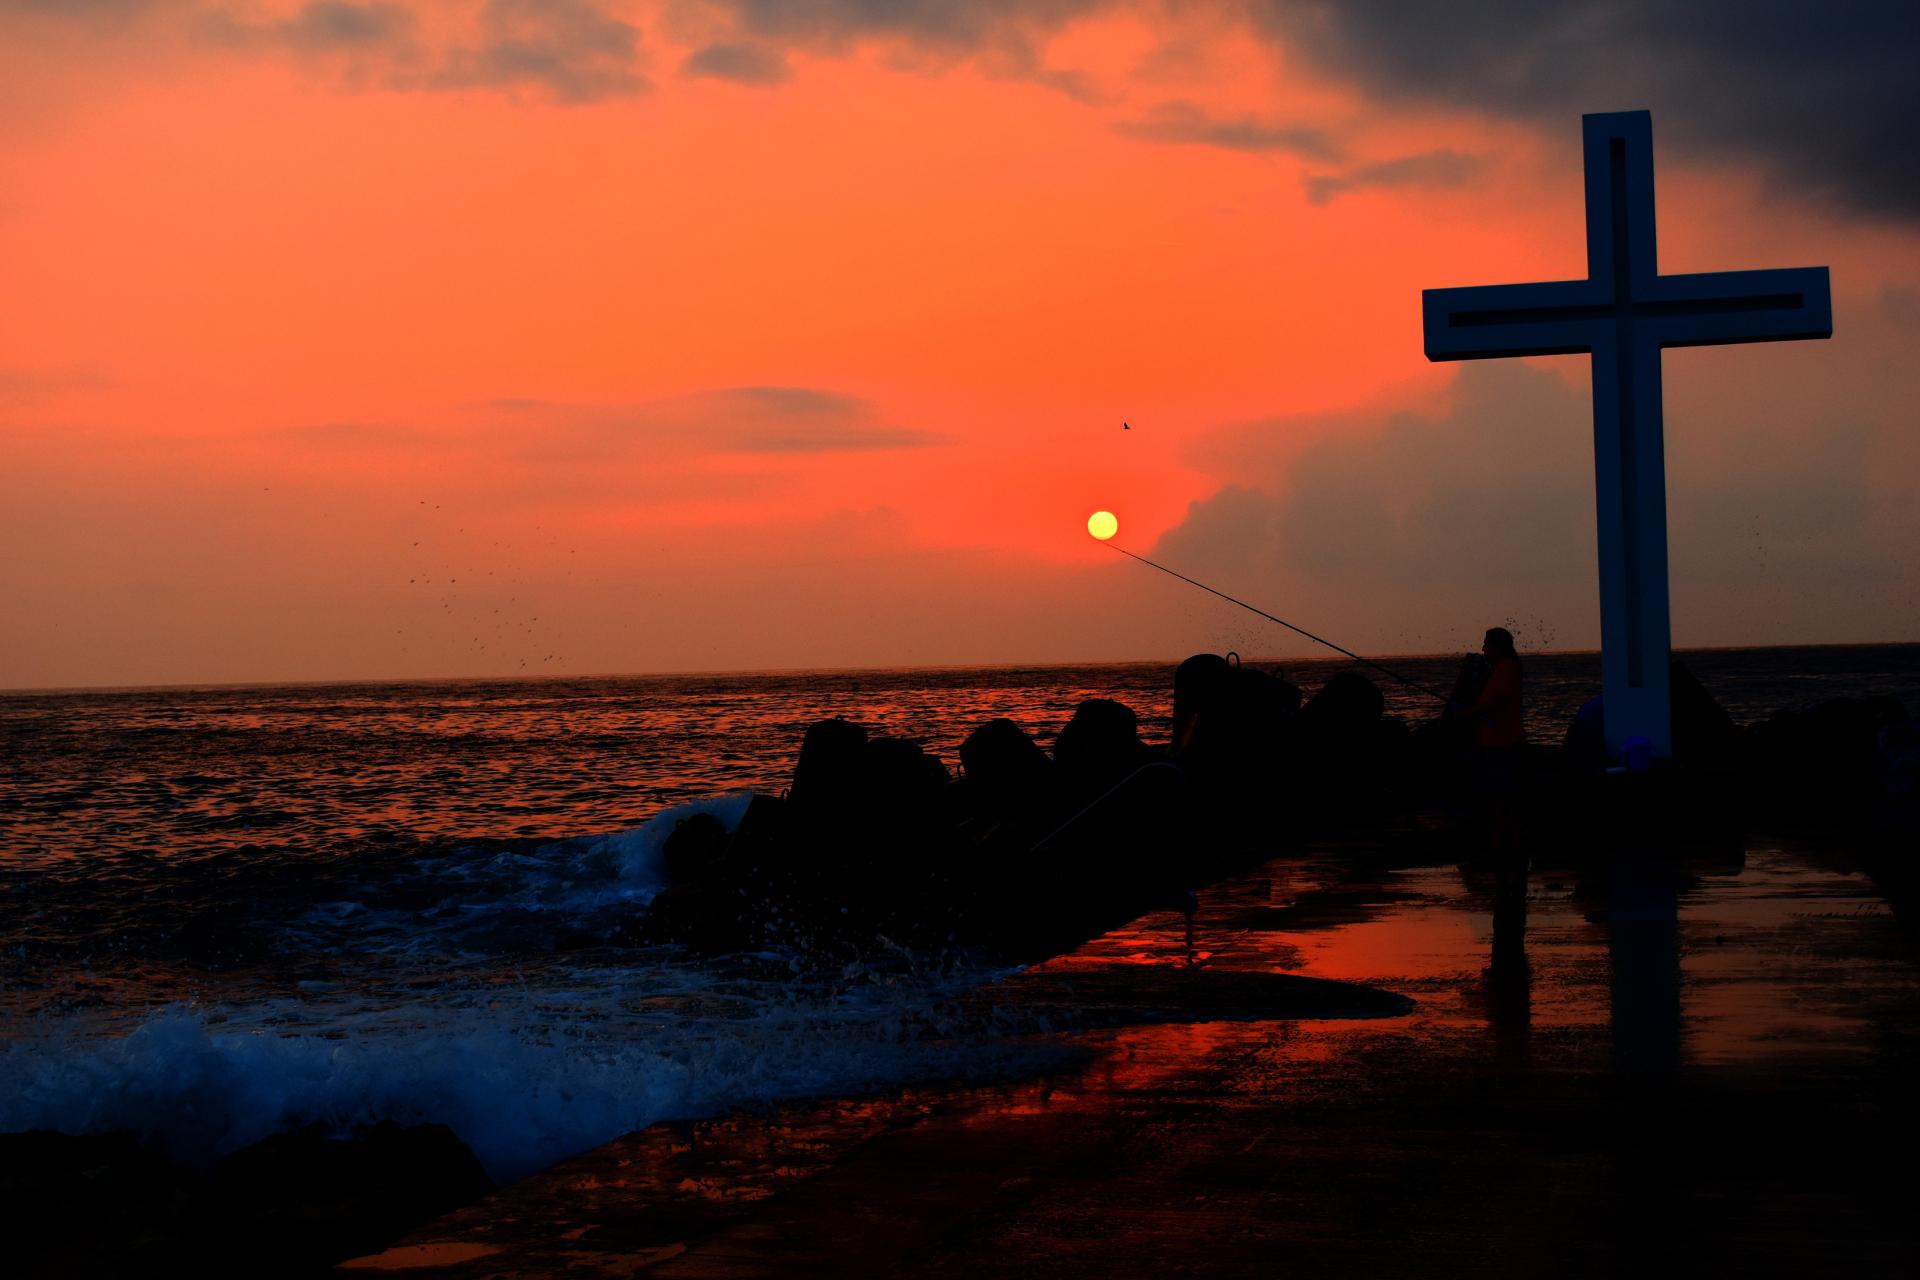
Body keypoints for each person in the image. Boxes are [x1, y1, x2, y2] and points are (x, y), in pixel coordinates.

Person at [1455, 627, 1527, 869]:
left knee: (1503, 800)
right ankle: (1506, 849)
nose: (1483, 648)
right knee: (1504, 799)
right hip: (1499, 743)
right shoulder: (1505, 668)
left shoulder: (1507, 668)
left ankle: (1504, 850)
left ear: (1499, 646)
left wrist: (1470, 712)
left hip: (1503, 744)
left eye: (1487, 644)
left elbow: (1498, 702)